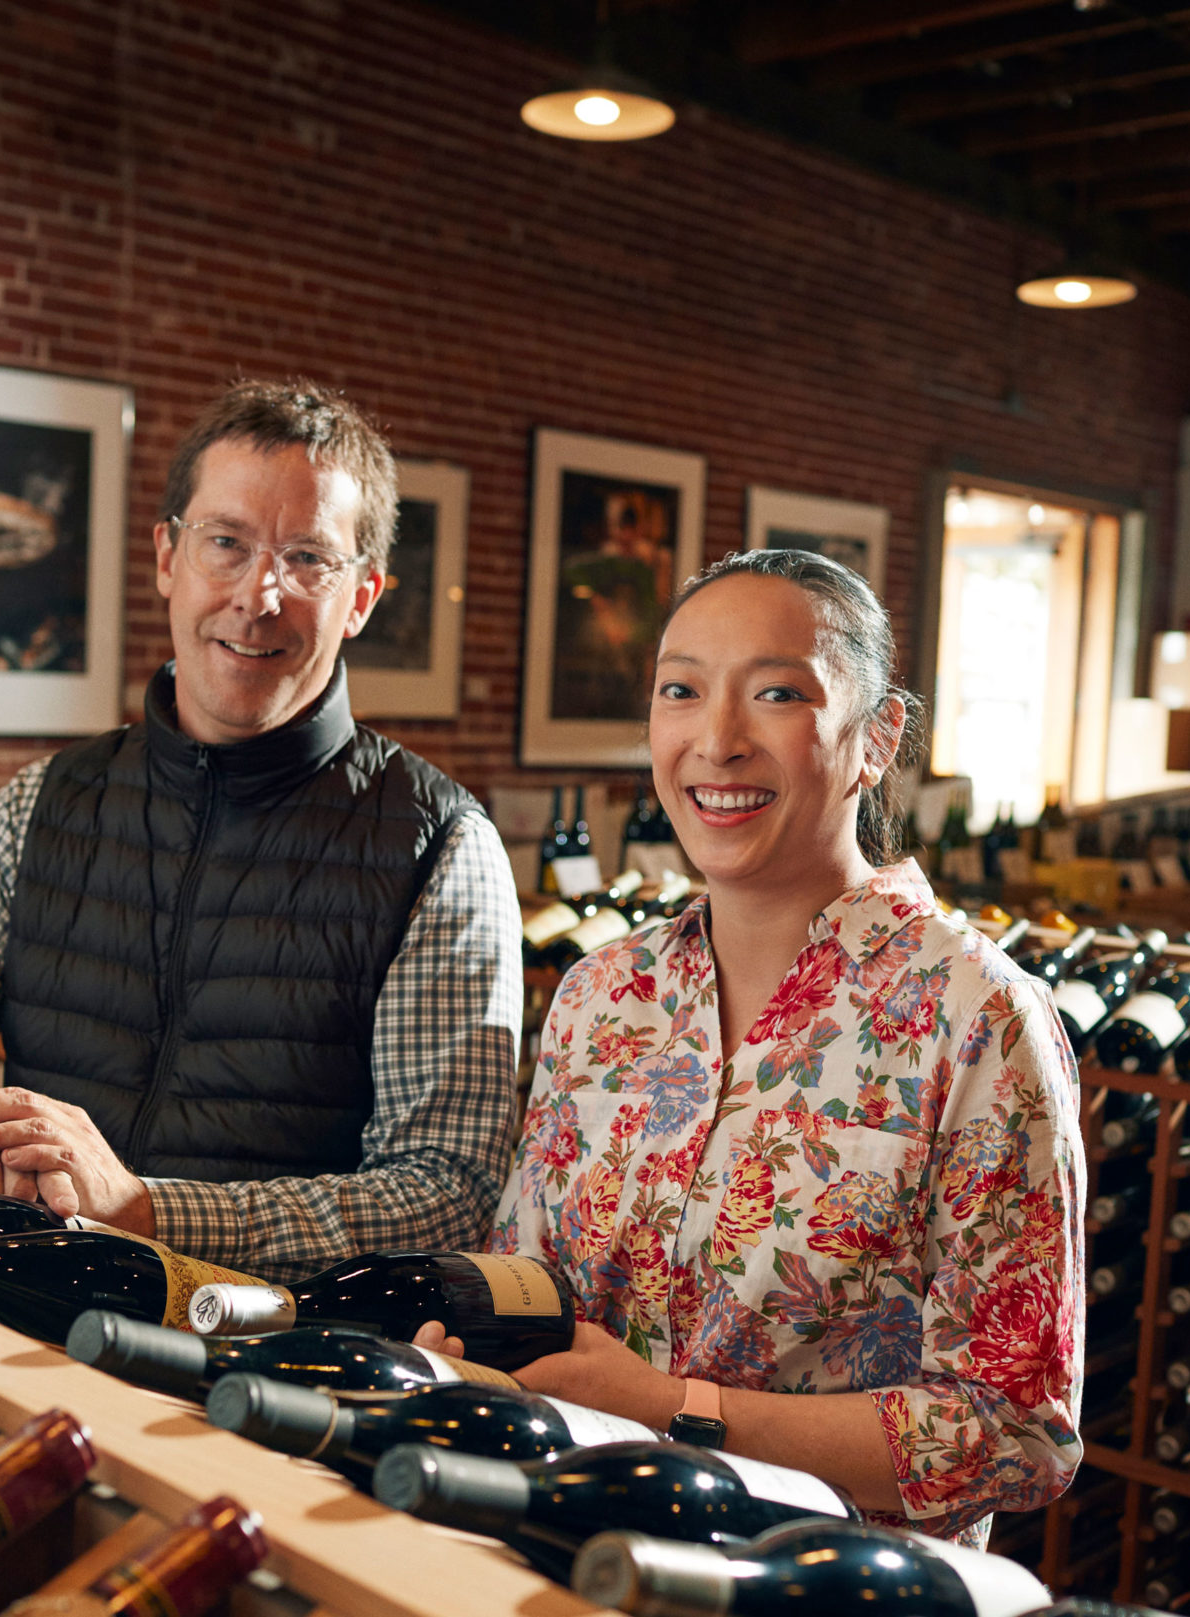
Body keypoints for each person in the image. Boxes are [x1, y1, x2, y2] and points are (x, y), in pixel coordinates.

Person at [425, 548, 1084, 1549]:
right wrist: (468, 1345)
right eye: (679, 691)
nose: (716, 741)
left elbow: (1011, 1434)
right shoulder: (601, 996)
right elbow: (534, 1287)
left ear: (875, 739)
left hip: (821, 1587)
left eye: (775, 693)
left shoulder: (975, 1019)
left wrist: (678, 1408)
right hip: (565, 1552)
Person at [0, 379, 522, 1281]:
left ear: (363, 598)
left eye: (307, 558)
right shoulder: (45, 805)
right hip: (17, 1300)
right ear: (166, 558)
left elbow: (448, 1187)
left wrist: (145, 1208)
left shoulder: (442, 849)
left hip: (265, 1367)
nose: (257, 595)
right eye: (225, 543)